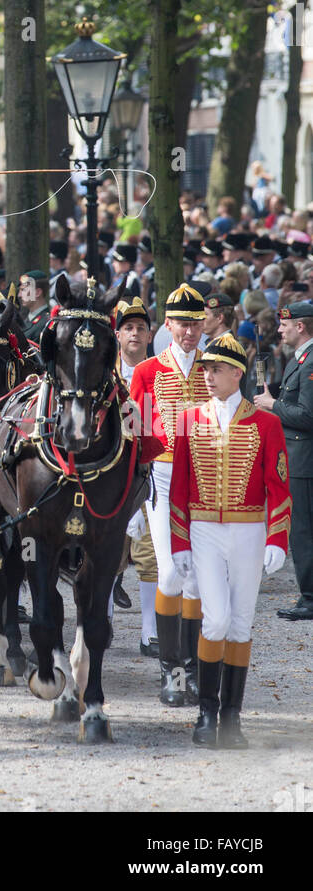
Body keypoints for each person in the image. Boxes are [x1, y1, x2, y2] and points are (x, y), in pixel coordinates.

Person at [172, 333, 291, 747]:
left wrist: (277, 537)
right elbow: (179, 488)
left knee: (240, 624)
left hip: (248, 531)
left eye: (216, 369)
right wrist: (179, 543)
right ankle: (206, 712)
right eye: (204, 369)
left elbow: (278, 485)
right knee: (216, 619)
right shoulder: (188, 420)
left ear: (238, 373)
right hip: (204, 529)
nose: (207, 376)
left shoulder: (267, 423)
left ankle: (231, 717)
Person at [129, 285, 210, 707]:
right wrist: (134, 498)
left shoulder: (216, 368)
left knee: (197, 575)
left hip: (205, 478)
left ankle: (194, 670)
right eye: (182, 323)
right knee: (170, 573)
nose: (190, 331)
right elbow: (138, 433)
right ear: (168, 325)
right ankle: (172, 673)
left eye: (196, 323)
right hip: (162, 474)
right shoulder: (146, 372)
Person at [253, 300, 313, 620]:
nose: (279, 330)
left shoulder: (310, 361)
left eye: (284, 325)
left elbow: (307, 415)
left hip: (304, 459)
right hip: (297, 456)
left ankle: (310, 597)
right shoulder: (299, 360)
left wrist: (272, 404)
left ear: (299, 327)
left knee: (302, 530)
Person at [114, 296, 158, 650]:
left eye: (140, 328)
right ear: (117, 335)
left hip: (148, 470)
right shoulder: (103, 372)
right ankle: (103, 623)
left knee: (149, 554)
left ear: (150, 333)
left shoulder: (161, 371)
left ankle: (149, 630)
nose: (134, 334)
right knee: (106, 553)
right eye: (128, 328)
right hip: (109, 475)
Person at [18, 269, 51, 343]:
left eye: (23, 290)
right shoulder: (26, 320)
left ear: (37, 292)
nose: (19, 295)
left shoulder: (46, 323)